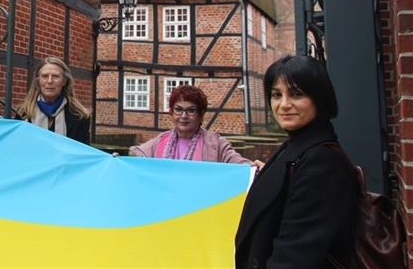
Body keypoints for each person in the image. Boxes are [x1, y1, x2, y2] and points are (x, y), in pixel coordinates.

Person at [235, 55, 358, 269]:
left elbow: (294, 257)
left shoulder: (322, 162)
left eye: (296, 94)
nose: (284, 105)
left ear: (319, 98)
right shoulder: (295, 148)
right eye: (276, 95)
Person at [129, 84, 253, 164]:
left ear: (201, 114)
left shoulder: (216, 144)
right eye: (178, 109)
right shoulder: (160, 141)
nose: (184, 116)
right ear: (171, 112)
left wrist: (254, 168)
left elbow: (239, 165)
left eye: (191, 110)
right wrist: (118, 161)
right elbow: (136, 158)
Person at [16, 56, 91, 144]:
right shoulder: (23, 114)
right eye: (44, 76)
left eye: (55, 76)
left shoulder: (79, 116)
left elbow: (83, 152)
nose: (50, 81)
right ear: (38, 81)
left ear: (64, 81)